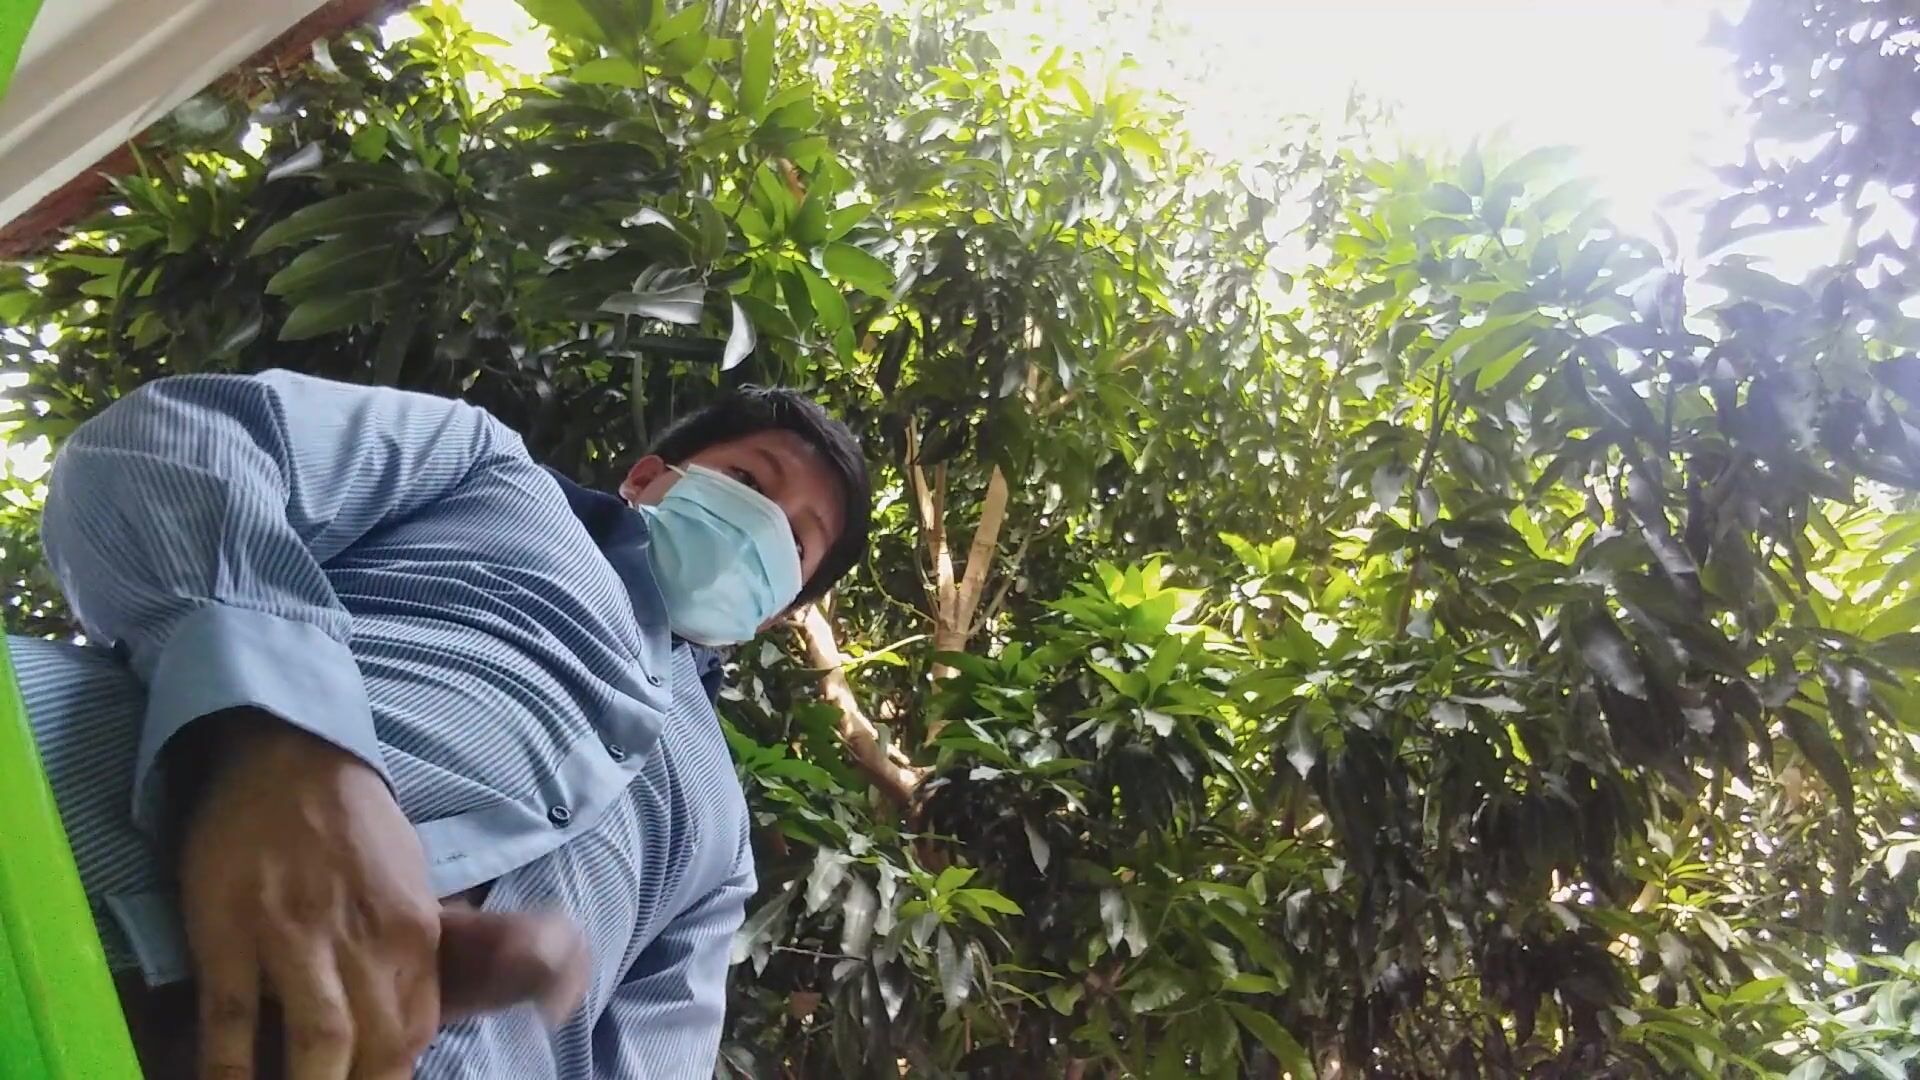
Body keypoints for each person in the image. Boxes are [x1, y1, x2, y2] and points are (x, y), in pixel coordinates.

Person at [13, 368, 870, 1079]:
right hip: (48, 850)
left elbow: (653, 1053)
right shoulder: (489, 470)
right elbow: (180, 443)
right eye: (750, 483)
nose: (762, 528)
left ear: (774, 613)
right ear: (649, 478)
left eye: (797, 544)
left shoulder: (720, 839)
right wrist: (279, 738)